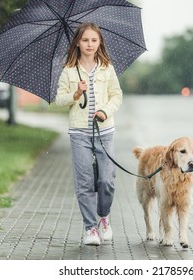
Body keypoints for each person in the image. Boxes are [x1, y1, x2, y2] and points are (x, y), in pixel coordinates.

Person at [55, 23, 123, 245]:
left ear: (100, 42)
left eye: (94, 40)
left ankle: (103, 217)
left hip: (104, 132)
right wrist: (76, 93)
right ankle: (90, 228)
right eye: (85, 40)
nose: (90, 44)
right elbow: (59, 100)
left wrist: (105, 111)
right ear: (77, 42)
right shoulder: (69, 70)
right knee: (84, 182)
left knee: (106, 179)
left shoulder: (107, 68)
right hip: (79, 133)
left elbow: (117, 96)